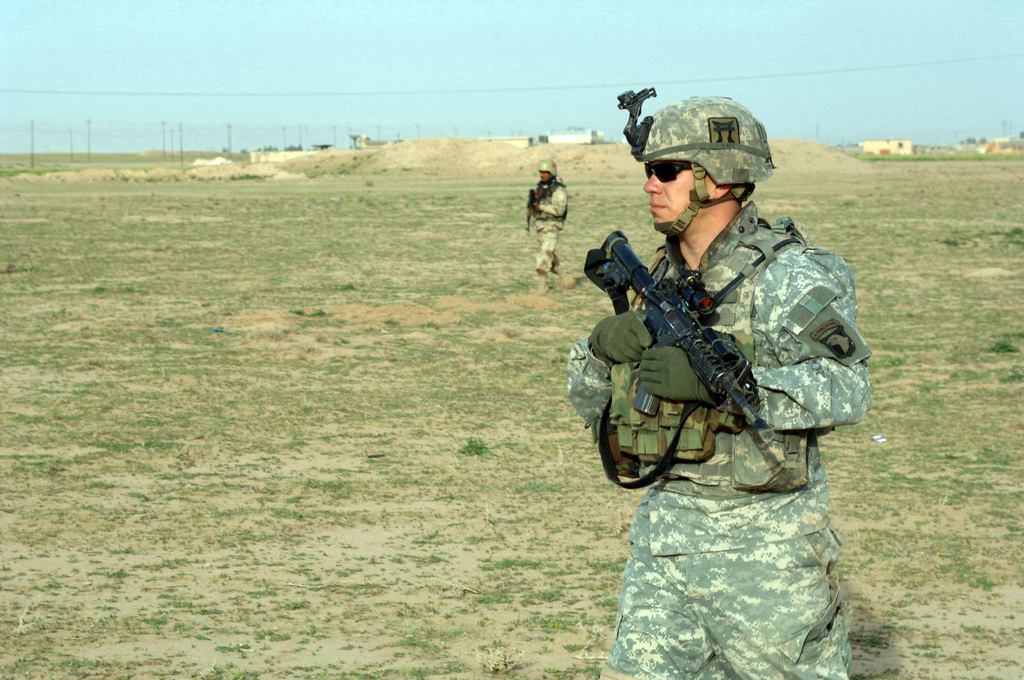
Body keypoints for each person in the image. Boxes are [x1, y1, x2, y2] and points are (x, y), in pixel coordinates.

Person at [566, 94, 872, 679]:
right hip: (665, 543)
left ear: (718, 180)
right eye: (647, 171)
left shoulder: (787, 276)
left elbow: (848, 387)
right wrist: (600, 349)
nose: (650, 185)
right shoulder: (653, 277)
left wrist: (735, 384)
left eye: (665, 171)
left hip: (766, 557)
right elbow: (590, 404)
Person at [529, 158, 570, 293]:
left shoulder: (558, 190)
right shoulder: (541, 187)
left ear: (551, 172)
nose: (541, 175)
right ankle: (565, 279)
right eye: (540, 172)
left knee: (543, 256)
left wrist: (542, 207)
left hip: (552, 226)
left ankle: (543, 286)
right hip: (541, 225)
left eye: (545, 172)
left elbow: (559, 210)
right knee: (549, 255)